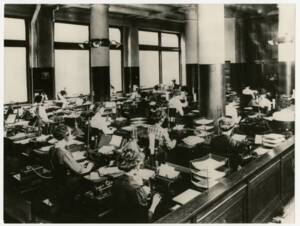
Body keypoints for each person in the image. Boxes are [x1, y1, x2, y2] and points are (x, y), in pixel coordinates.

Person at [49, 124, 94, 222]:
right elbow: (80, 170)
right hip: (68, 182)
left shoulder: (53, 148)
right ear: (65, 136)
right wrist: (91, 164)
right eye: (70, 134)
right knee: (92, 180)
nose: (72, 136)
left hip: (59, 181)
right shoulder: (63, 153)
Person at [111, 147, 162, 223]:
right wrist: (154, 205)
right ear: (137, 166)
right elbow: (146, 217)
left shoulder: (116, 182)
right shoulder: (135, 188)